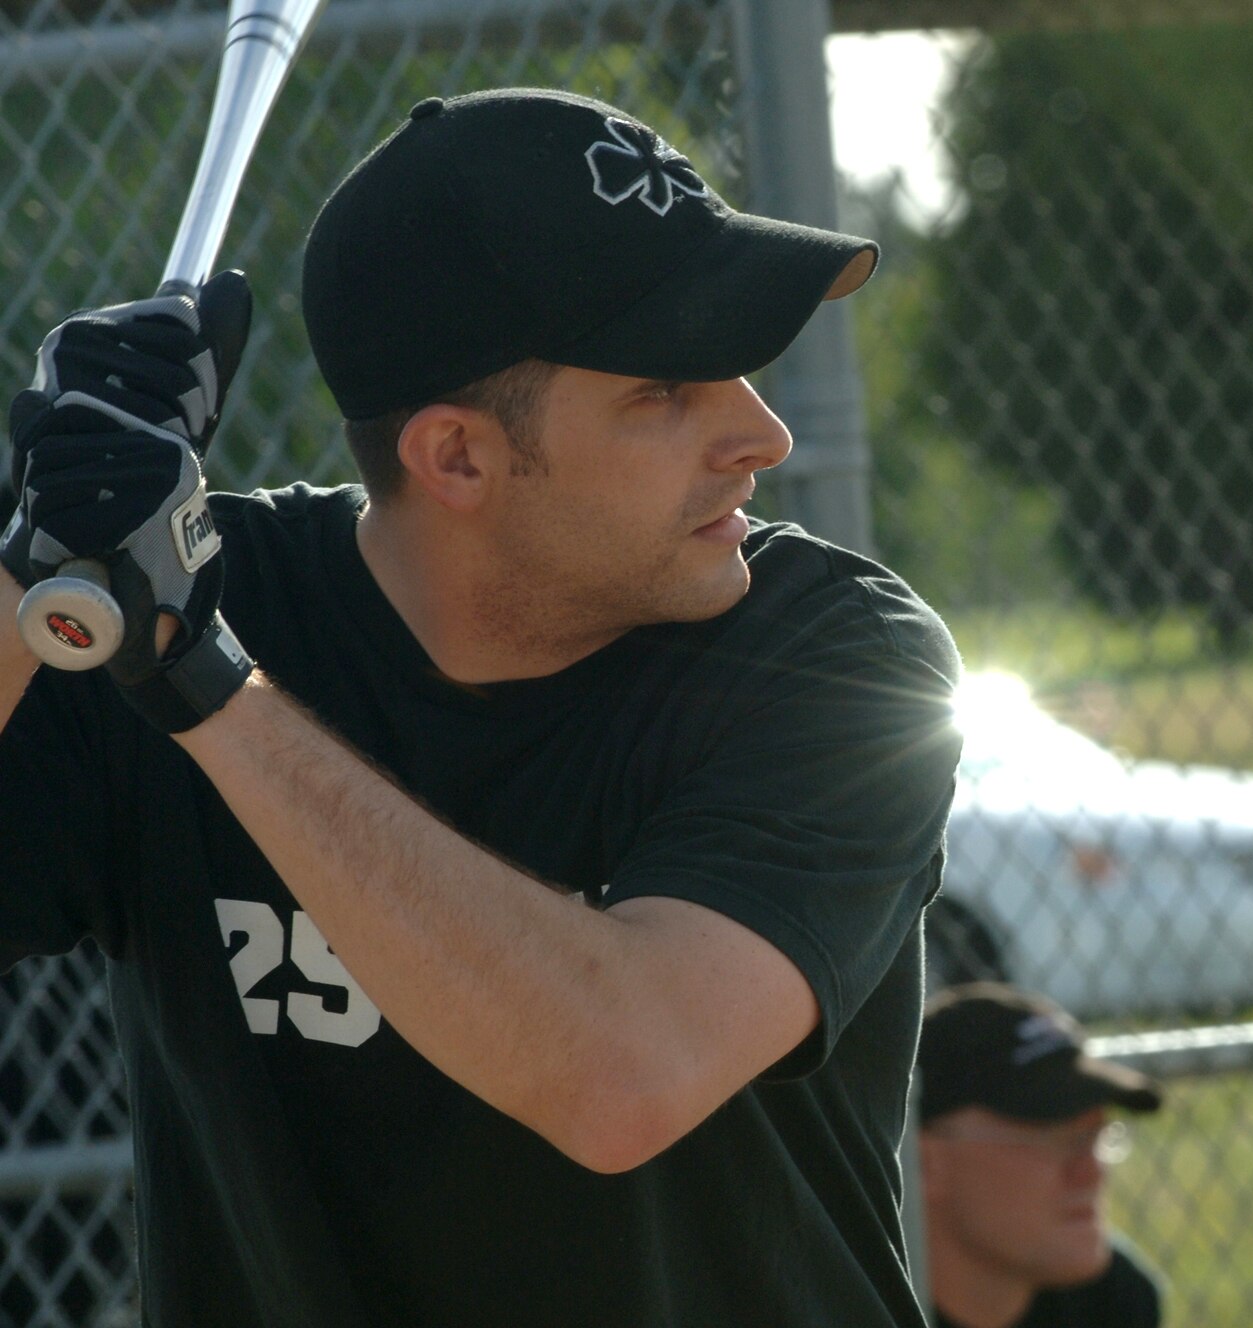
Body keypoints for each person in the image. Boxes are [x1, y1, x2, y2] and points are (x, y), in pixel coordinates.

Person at [0, 87, 962, 1326]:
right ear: (455, 457)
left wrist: (205, 685)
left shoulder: (836, 661)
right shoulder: (182, 606)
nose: (761, 432)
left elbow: (622, 1074)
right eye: (664, 390)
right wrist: (31, 554)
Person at [918, 983, 1169, 1328]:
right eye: (1052, 1136)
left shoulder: (1113, 1299)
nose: (1091, 1171)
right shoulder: (844, 1306)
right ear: (925, 1163)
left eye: (1096, 1135)